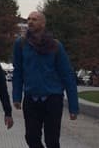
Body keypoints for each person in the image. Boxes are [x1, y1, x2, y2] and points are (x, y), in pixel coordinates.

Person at [11, 11, 79, 148]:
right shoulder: (21, 44)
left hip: (52, 98)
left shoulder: (55, 46)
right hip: (31, 98)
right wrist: (17, 96)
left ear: (43, 23)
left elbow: (67, 76)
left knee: (52, 141)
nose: (30, 22)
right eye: (29, 19)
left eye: (34, 19)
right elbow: (17, 71)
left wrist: (73, 106)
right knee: (31, 137)